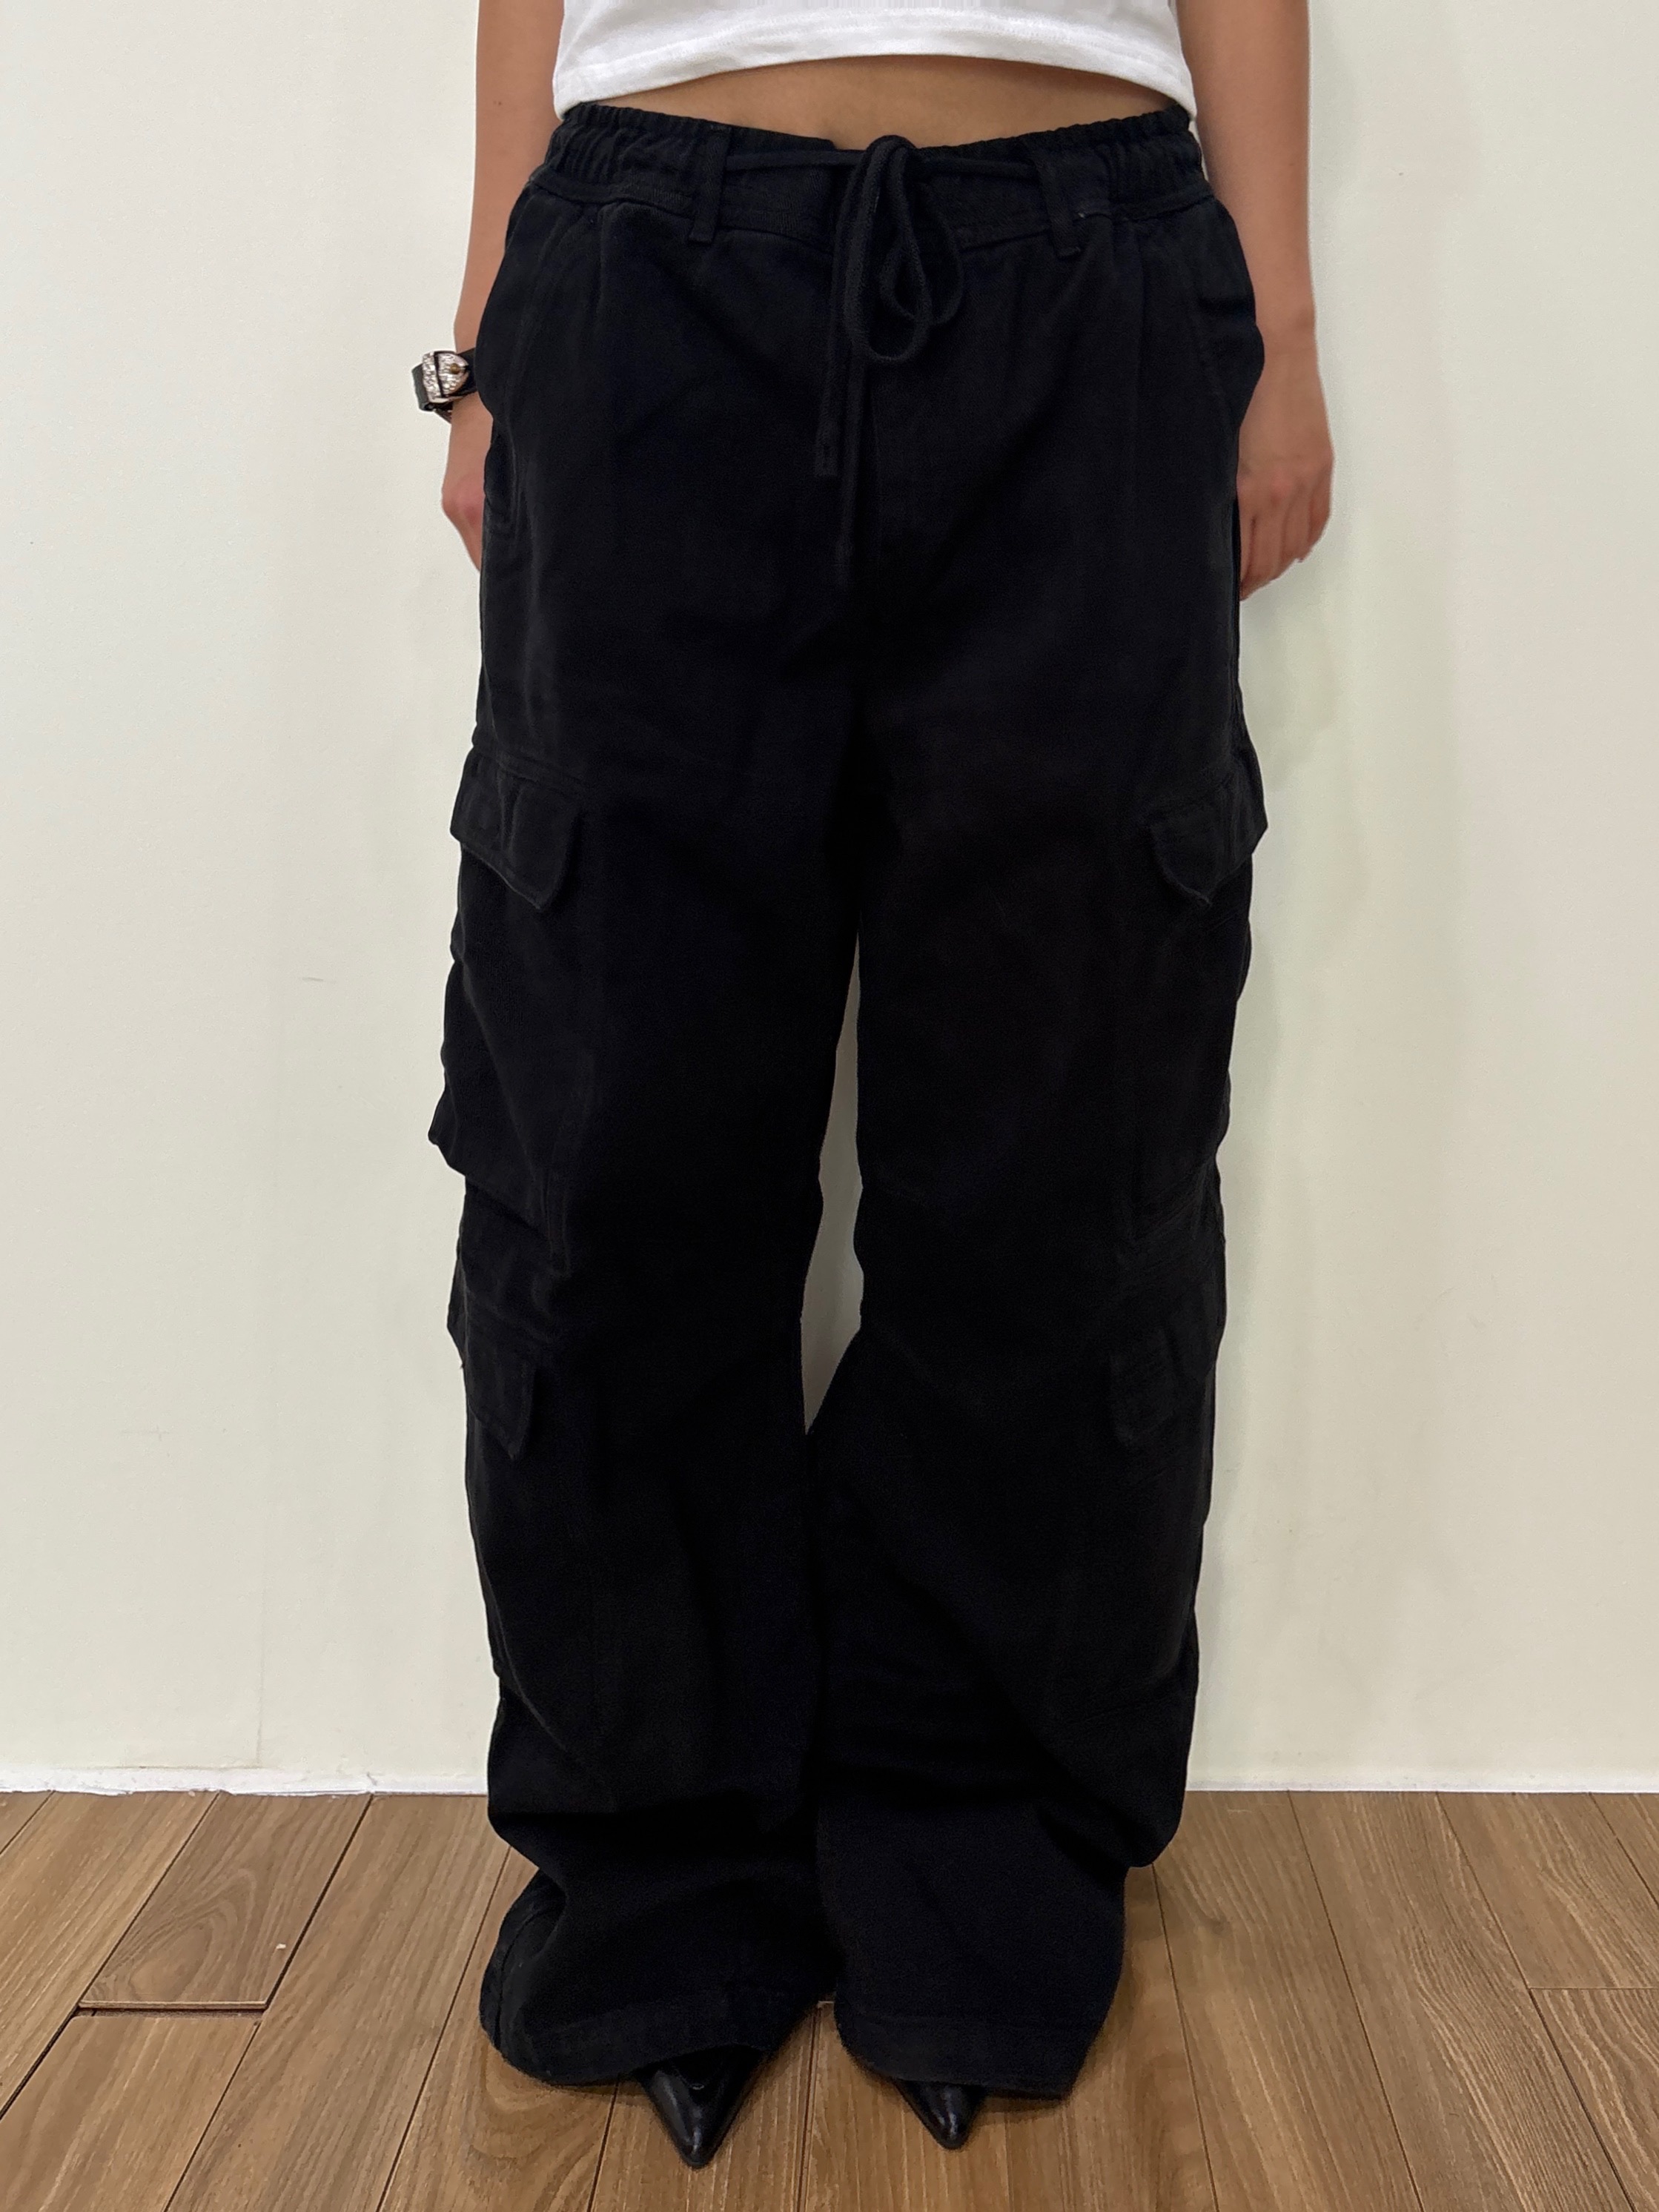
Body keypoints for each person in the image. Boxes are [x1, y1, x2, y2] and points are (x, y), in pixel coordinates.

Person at [417, 0, 1331, 2170]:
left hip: (1091, 262)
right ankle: (657, 1866)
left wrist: (1278, 324)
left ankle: (978, 1851)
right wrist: (485, 313)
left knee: (1060, 1142)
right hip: (647, 255)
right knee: (613, 1134)